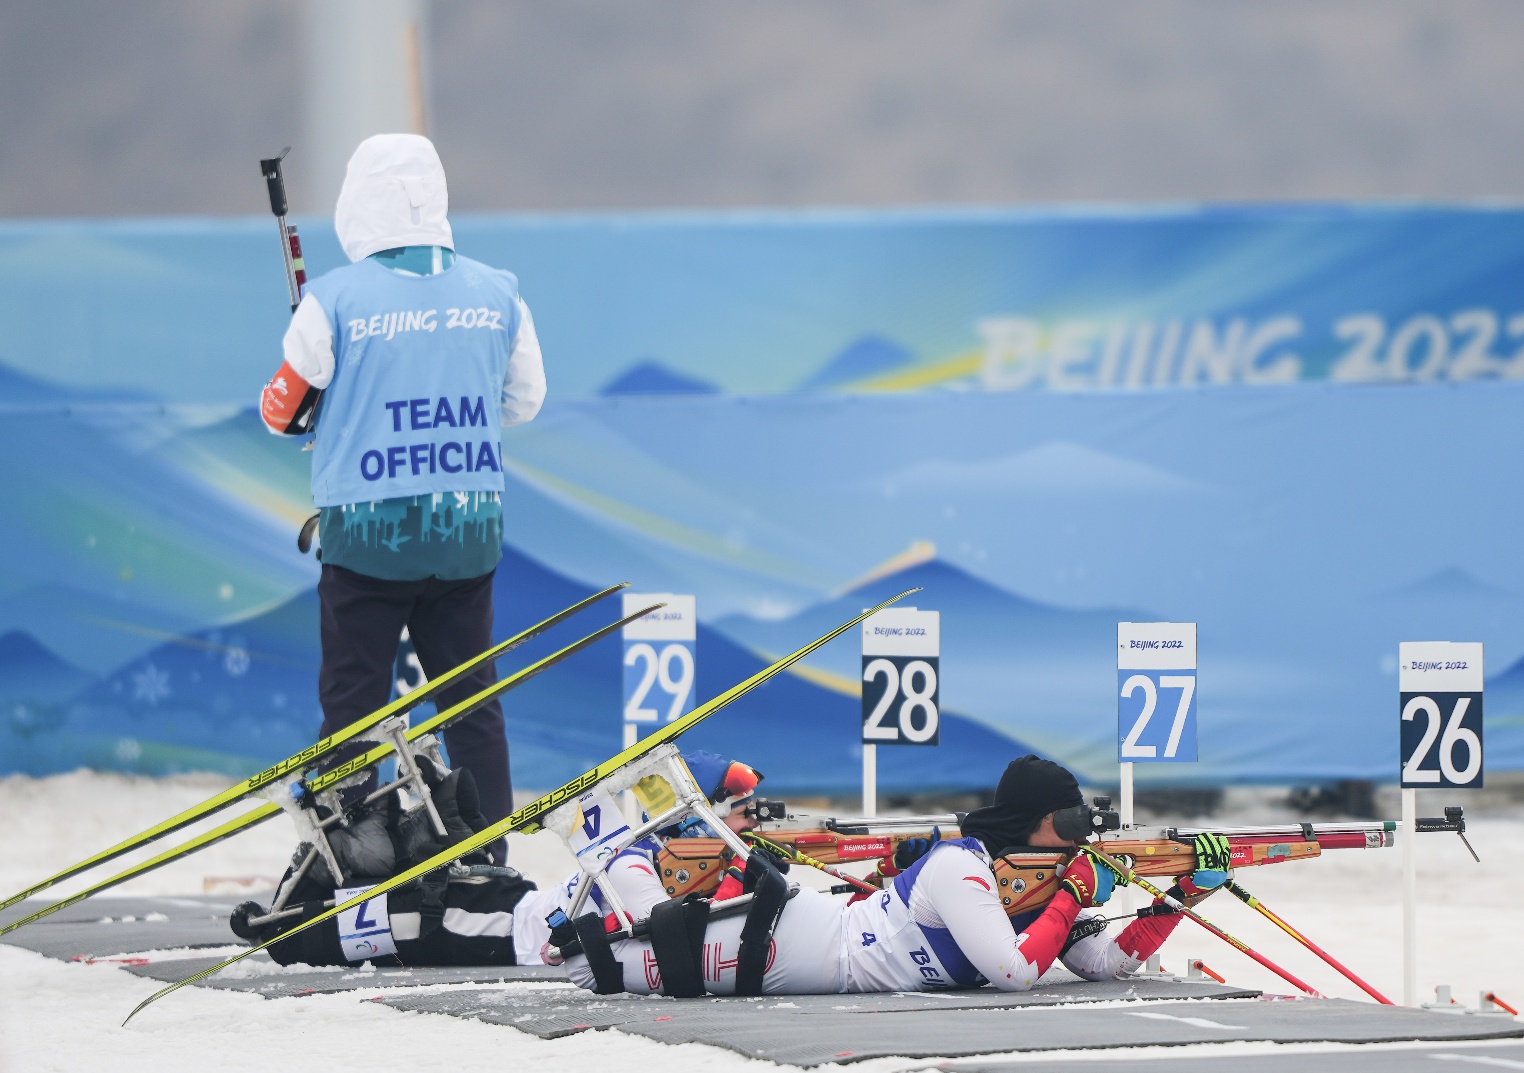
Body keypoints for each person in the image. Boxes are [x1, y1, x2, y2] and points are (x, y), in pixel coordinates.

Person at [258, 133, 546, 862]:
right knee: (470, 699)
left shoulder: (332, 298)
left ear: (358, 204)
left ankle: (358, 848)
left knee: (355, 701)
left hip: (368, 535)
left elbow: (281, 411)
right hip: (466, 527)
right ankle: (486, 855)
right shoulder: (498, 291)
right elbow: (525, 401)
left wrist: (330, 406)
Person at [555, 754, 1233, 998]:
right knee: (593, 964)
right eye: (1064, 820)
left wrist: (1183, 895)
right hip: (802, 944)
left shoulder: (1033, 891)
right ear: (1029, 821)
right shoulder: (958, 867)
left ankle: (617, 855)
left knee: (609, 964)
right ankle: (610, 837)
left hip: (814, 961)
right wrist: (1076, 894)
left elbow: (1106, 962)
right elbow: (1015, 973)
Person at [230, 750, 765, 970]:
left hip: (504, 921)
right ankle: (293, 919)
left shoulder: (668, 857)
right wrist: (744, 875)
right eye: (739, 813)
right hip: (507, 920)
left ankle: (303, 913)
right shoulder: (645, 856)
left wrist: (748, 877)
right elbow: (659, 920)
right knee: (405, 915)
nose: (749, 826)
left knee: (405, 915)